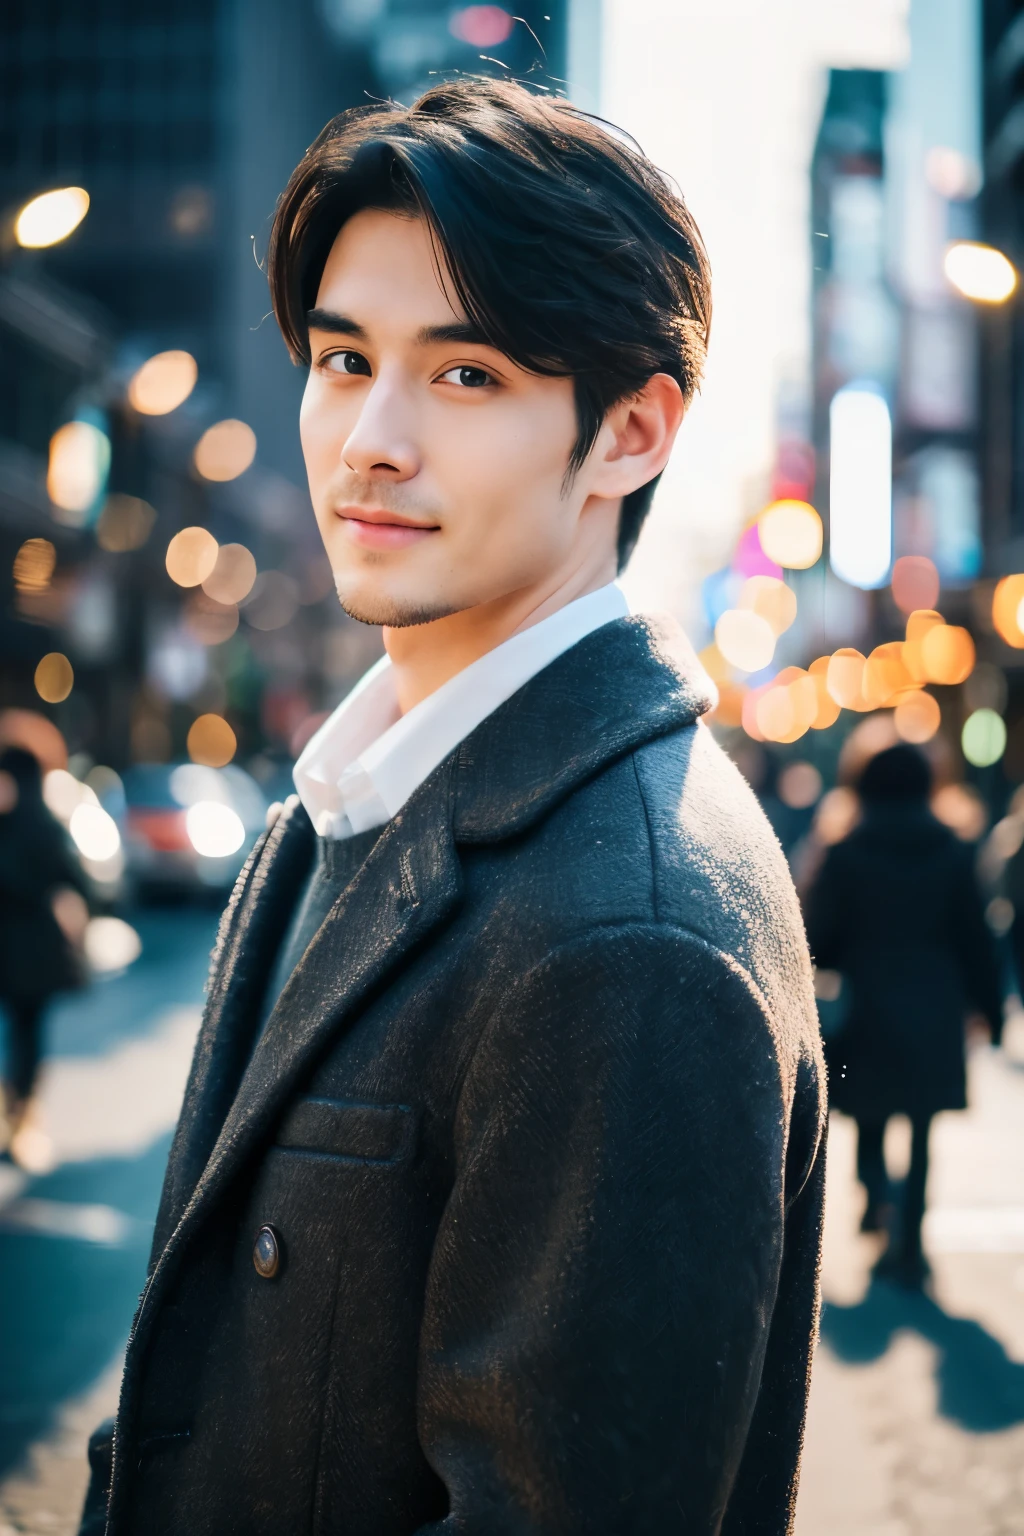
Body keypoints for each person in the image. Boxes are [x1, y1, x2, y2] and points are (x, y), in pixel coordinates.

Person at [83, 79, 825, 1536]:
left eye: (466, 373)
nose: (371, 438)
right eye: (344, 358)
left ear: (630, 432)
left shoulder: (633, 931)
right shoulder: (334, 809)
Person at [804, 743, 1002, 1288]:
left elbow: (819, 940)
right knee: (921, 1128)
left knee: (868, 1111)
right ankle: (910, 1241)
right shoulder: (955, 851)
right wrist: (991, 1012)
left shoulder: (844, 853)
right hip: (935, 1005)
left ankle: (874, 1195)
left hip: (868, 1006)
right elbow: (975, 940)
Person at [0, 746, 88, 1165]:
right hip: (29, 955)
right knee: (25, 1036)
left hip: (27, 956)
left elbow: (71, 880)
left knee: (26, 1036)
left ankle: (20, 1120)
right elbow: (75, 879)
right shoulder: (43, 826)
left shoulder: (30, 827)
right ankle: (17, 1118)